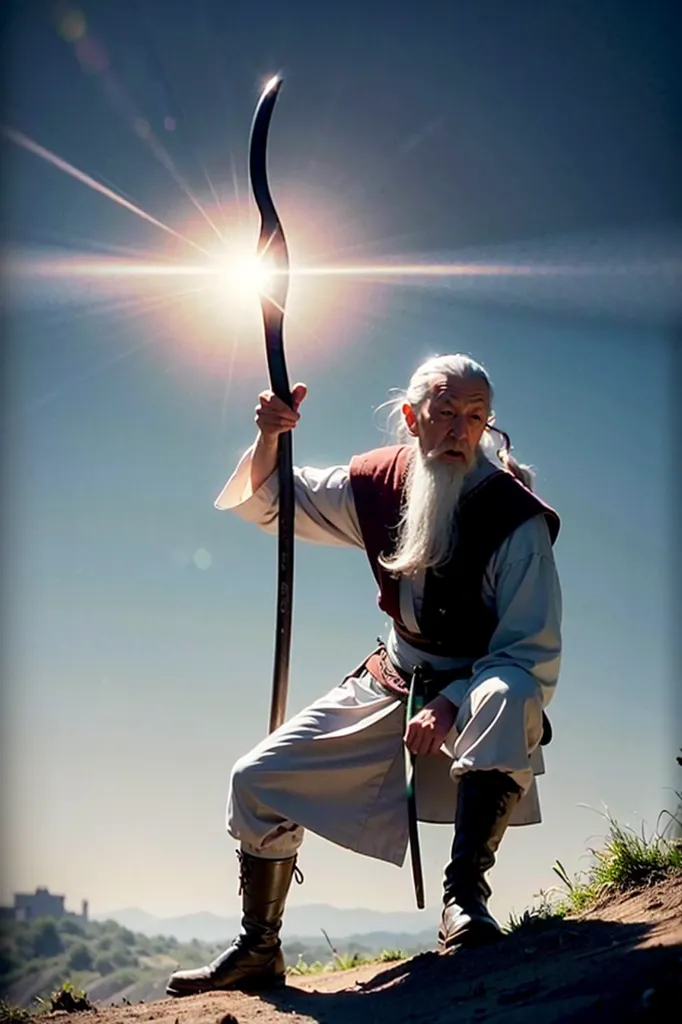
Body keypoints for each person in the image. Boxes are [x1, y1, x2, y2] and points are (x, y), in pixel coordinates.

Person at [167, 353, 562, 997]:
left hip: (480, 692)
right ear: (411, 419)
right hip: (395, 681)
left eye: (476, 417)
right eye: (445, 415)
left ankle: (464, 903)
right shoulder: (377, 484)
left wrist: (455, 700)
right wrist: (270, 435)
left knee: (509, 690)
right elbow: (273, 501)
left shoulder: (513, 520)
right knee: (256, 780)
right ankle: (259, 947)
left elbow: (531, 654)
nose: (461, 431)